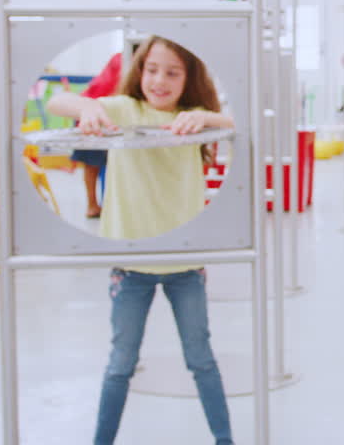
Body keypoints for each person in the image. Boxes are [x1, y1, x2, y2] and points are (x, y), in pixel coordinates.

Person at [46, 36, 235, 445]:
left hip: (185, 265)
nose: (159, 81)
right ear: (139, 71)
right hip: (131, 267)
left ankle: (225, 440)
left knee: (201, 359)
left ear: (188, 79)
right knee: (120, 364)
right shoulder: (124, 109)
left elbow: (237, 122)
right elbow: (57, 102)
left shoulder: (192, 118)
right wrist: (86, 107)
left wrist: (205, 116)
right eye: (152, 69)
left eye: (172, 73)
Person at [70, 52, 123, 218]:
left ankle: (97, 205)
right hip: (93, 115)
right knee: (93, 164)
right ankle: (93, 205)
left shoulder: (123, 57)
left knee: (96, 164)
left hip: (98, 113)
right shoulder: (122, 59)